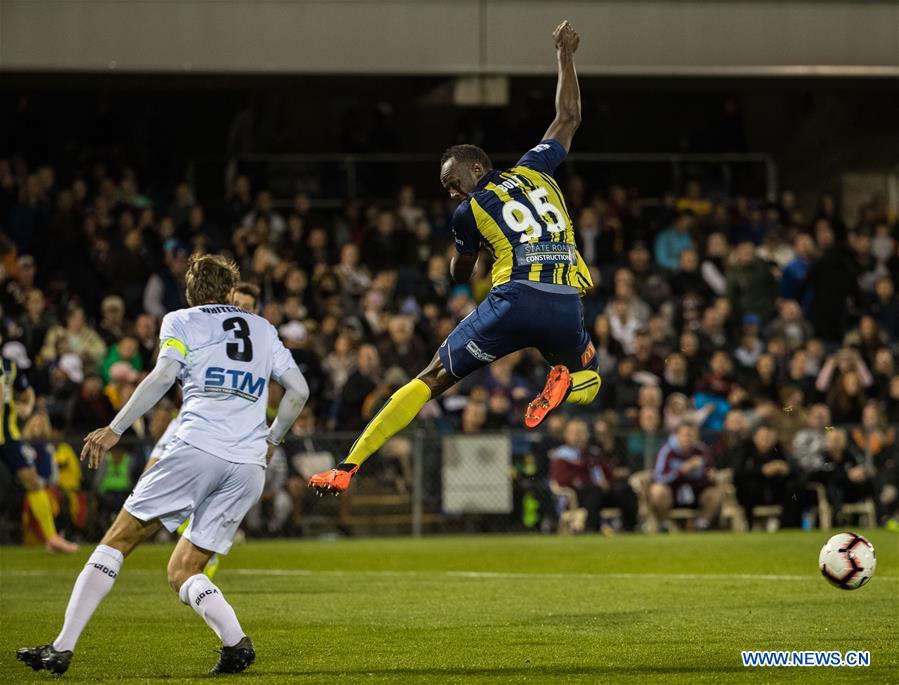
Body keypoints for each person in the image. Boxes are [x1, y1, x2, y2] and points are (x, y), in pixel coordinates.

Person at [309, 21, 601, 495]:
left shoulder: (470, 210)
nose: (450, 192)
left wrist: (461, 257)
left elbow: (461, 274)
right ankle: (565, 378)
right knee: (589, 373)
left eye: (452, 182)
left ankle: (347, 466)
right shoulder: (537, 168)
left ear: (476, 169)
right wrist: (565, 55)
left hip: (516, 297)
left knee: (433, 376)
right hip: (567, 300)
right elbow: (568, 117)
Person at [17, 256, 309, 676]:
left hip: (196, 448)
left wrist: (116, 428)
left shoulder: (181, 320)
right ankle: (235, 644)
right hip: (248, 464)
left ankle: (61, 647)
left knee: (117, 540)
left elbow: (162, 374)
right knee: (183, 570)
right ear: (230, 293)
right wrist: (272, 440)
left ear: (190, 291)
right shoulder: (262, 327)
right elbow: (299, 389)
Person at [1, 349, 78, 554]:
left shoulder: (9, 366)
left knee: (33, 482)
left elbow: (26, 392)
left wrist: (27, 406)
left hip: (8, 436)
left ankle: (52, 538)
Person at [649, 421, 721, 531]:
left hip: (696, 493)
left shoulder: (702, 450)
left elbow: (710, 471)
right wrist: (681, 470)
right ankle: (665, 524)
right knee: (657, 490)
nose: (689, 438)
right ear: (677, 435)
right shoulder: (667, 451)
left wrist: (711, 476)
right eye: (686, 435)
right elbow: (658, 477)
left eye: (692, 435)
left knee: (716, 492)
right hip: (672, 494)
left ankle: (701, 525)